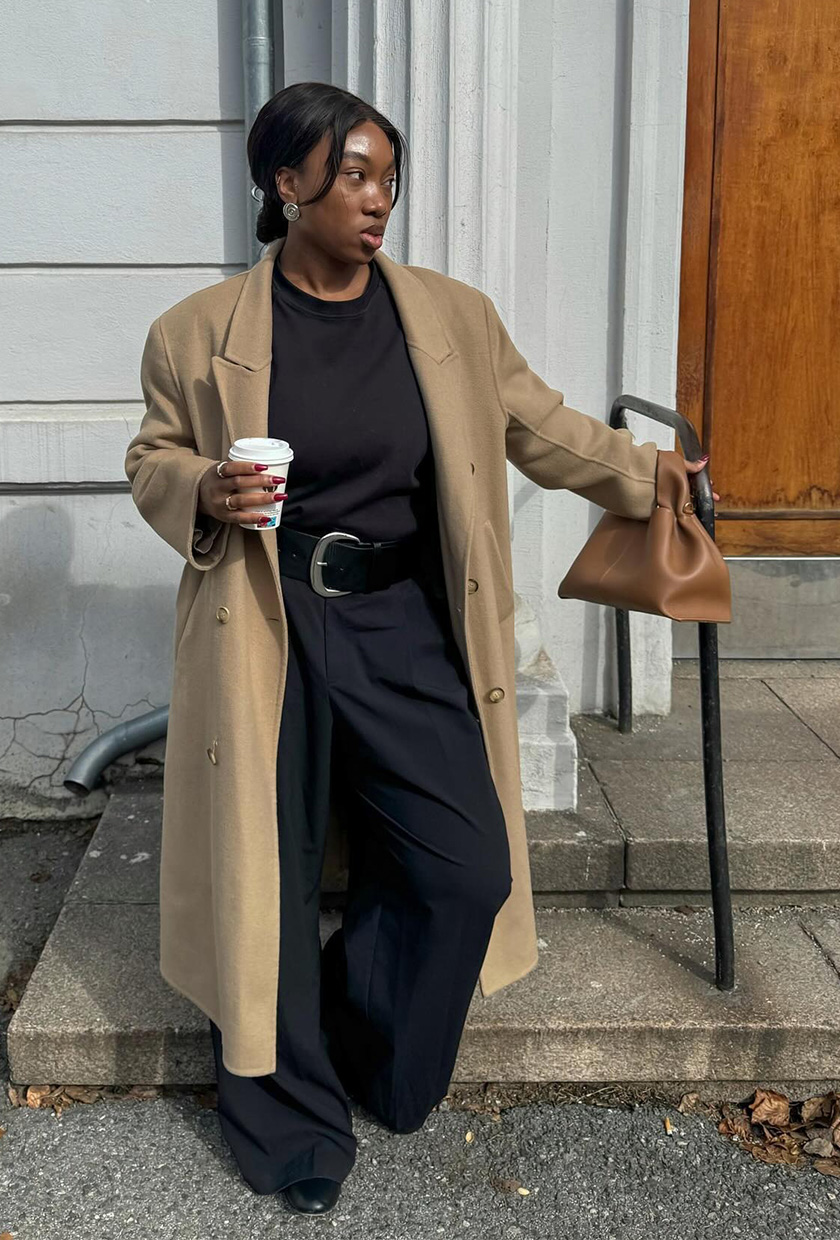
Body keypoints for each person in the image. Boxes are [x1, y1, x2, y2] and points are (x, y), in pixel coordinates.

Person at [126, 80, 718, 1217]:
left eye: (388, 176)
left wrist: (655, 479)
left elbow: (542, 428)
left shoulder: (447, 314)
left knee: (466, 865)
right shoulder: (198, 332)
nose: (377, 198)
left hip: (403, 622)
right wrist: (201, 482)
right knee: (272, 875)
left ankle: (364, 1028)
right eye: (351, 173)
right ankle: (286, 1120)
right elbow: (150, 455)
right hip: (271, 624)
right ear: (284, 182)